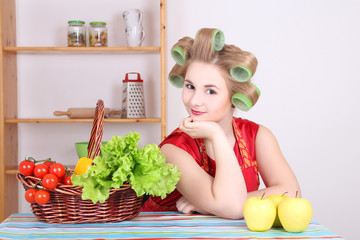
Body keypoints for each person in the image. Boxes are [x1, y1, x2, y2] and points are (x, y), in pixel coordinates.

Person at [141, 28, 300, 219]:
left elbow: (292, 194)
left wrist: (210, 206)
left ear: (234, 97)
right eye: (190, 86)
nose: (195, 101)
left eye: (210, 91)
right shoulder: (173, 151)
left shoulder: (258, 136)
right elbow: (232, 209)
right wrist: (216, 135)